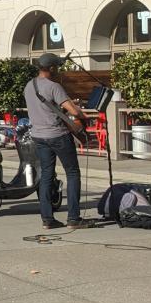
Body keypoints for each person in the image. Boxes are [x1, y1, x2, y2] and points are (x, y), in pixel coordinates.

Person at [24, 52, 94, 230]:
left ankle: (47, 219)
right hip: (57, 135)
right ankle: (74, 218)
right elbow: (74, 111)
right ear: (52, 68)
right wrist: (81, 112)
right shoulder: (54, 86)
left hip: (39, 136)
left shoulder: (29, 86)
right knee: (72, 173)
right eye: (58, 67)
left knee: (47, 175)